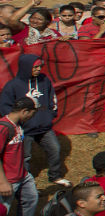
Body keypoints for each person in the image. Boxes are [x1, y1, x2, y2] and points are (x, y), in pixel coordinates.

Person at [0, 53, 65, 188]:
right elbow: (4, 106)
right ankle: (26, 182)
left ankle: (55, 176)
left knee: (55, 149)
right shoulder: (13, 85)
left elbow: (52, 97)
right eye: (35, 67)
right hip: (25, 129)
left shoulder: (44, 80)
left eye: (40, 67)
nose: (38, 69)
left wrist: (50, 115)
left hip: (44, 127)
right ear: (26, 67)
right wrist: (17, 122)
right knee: (25, 157)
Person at [0, 96, 39, 216]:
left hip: (23, 175)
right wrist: (3, 182)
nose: (31, 117)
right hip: (8, 180)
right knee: (3, 212)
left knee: (31, 199)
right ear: (24, 111)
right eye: (31, 114)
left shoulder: (18, 125)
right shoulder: (3, 127)